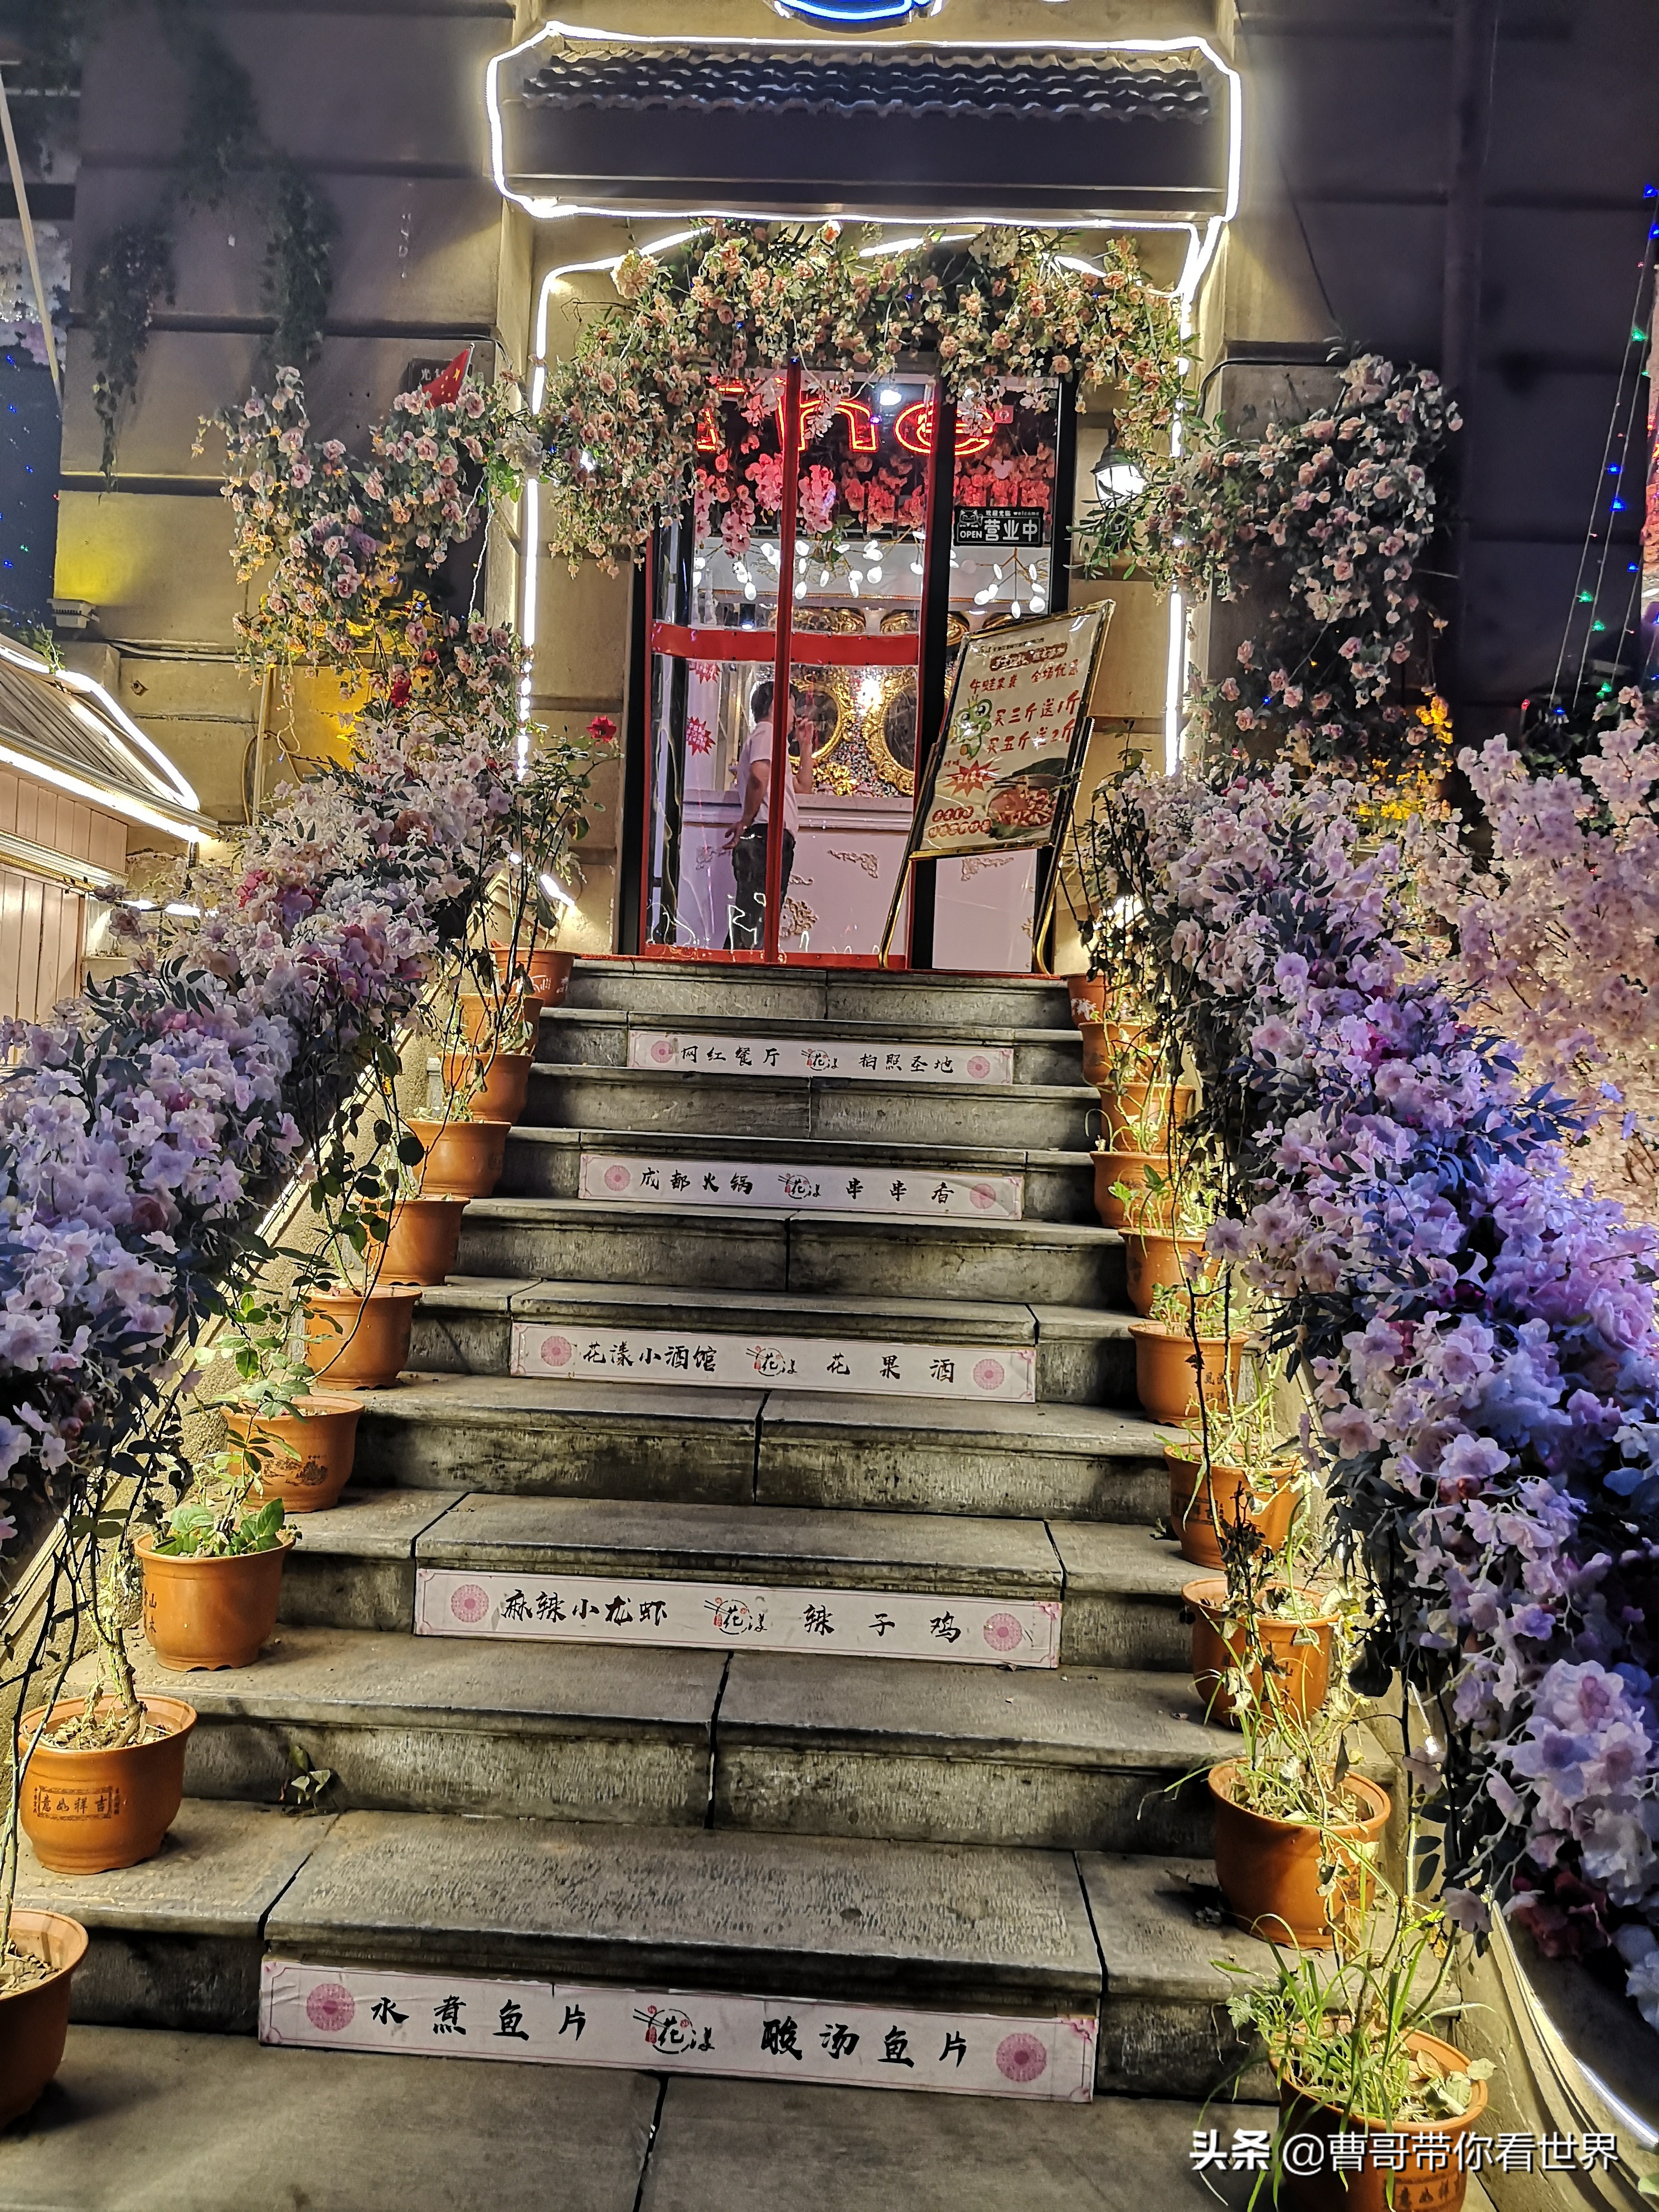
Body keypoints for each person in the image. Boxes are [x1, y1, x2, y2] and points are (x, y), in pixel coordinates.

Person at [723, 678, 813, 949]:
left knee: (756, 915)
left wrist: (805, 746)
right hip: (764, 835)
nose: (795, 714)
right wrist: (746, 821)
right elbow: (759, 778)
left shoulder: (774, 742)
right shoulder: (766, 733)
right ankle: (738, 970)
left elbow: (803, 787)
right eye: (791, 705)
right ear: (776, 704)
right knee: (754, 917)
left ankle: (739, 966)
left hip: (769, 836)